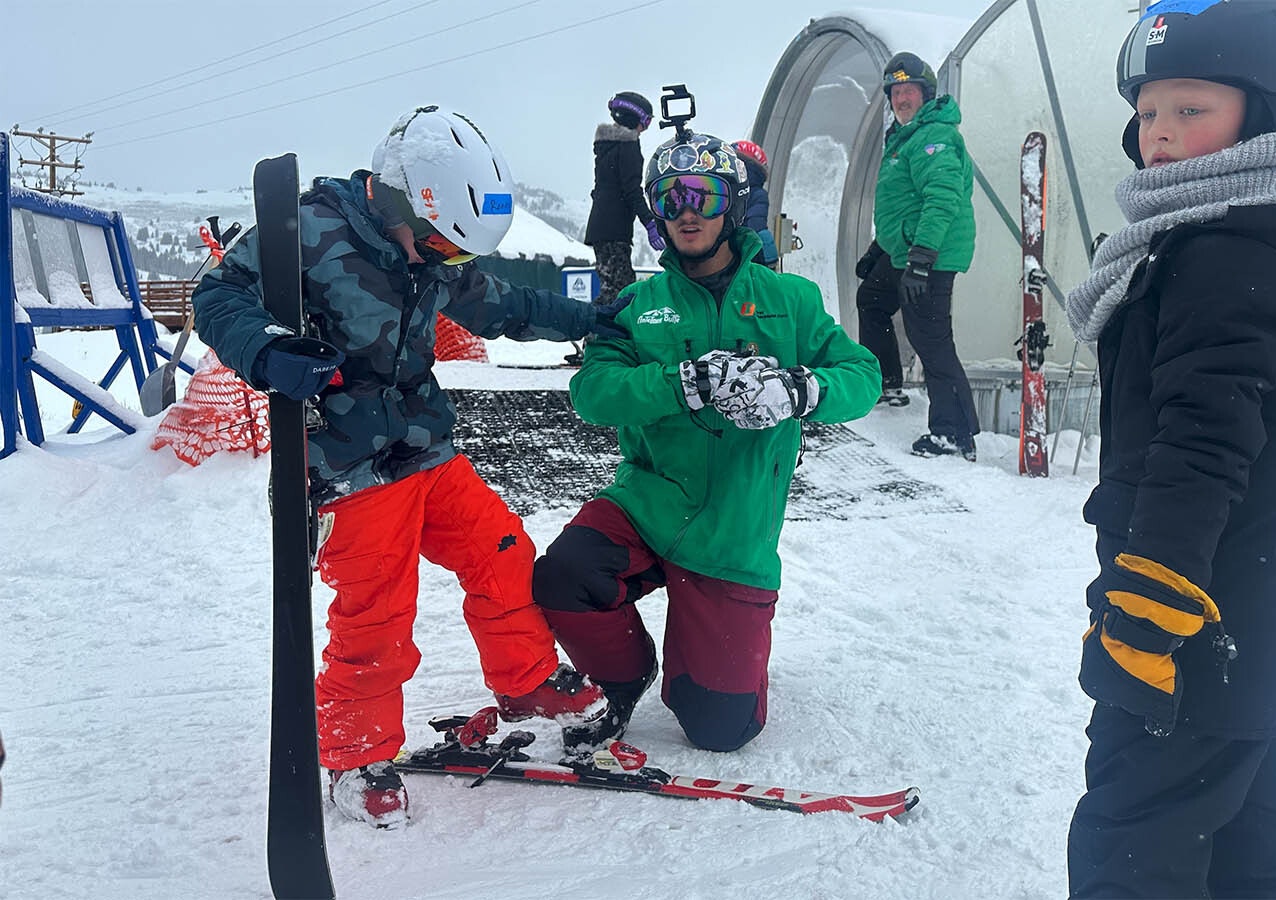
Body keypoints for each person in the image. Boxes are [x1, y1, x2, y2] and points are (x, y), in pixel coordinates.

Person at [193, 105, 626, 829]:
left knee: (504, 553)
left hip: (425, 447)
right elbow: (217, 296)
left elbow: (502, 306)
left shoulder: (429, 252)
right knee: (378, 613)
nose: (447, 262)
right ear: (395, 198)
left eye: (458, 253)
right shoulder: (305, 230)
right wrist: (267, 351)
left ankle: (526, 682)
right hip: (348, 463)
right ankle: (356, 755)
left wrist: (595, 317)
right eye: (442, 246)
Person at [1061, 1, 1276, 896]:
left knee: (1132, 840)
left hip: (1193, 622)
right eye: (1149, 113)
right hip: (1254, 619)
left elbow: (1202, 446)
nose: (1162, 135)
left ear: (1270, 110)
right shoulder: (1250, 232)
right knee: (1257, 830)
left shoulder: (1225, 258)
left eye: (1192, 109)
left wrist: (1146, 608)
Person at [531, 128, 881, 756]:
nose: (687, 209)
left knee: (722, 729)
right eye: (669, 198)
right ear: (657, 214)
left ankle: (705, 659)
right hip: (648, 504)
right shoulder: (636, 305)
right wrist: (682, 381)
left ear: (730, 203)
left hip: (733, 531)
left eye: (702, 193)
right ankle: (625, 673)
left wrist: (800, 392)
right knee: (565, 574)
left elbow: (863, 377)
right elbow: (594, 392)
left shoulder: (791, 301)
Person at [853, 51, 980, 460]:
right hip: (905, 253)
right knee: (872, 298)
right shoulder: (907, 136)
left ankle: (954, 432)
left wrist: (921, 261)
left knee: (931, 339)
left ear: (925, 94)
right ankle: (887, 382)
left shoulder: (934, 138)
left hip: (931, 257)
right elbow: (902, 205)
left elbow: (940, 200)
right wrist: (879, 250)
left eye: (909, 90)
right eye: (895, 91)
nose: (902, 98)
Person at [575, 91, 662, 365]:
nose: (644, 129)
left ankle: (596, 336)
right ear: (637, 120)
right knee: (619, 287)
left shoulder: (605, 145)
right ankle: (592, 337)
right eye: (645, 123)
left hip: (603, 227)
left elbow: (602, 189)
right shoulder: (628, 147)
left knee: (615, 283)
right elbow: (631, 191)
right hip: (613, 230)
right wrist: (650, 221)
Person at [729, 139, 779, 268]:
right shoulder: (758, 194)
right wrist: (770, 264)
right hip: (747, 258)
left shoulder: (721, 188)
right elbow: (757, 228)